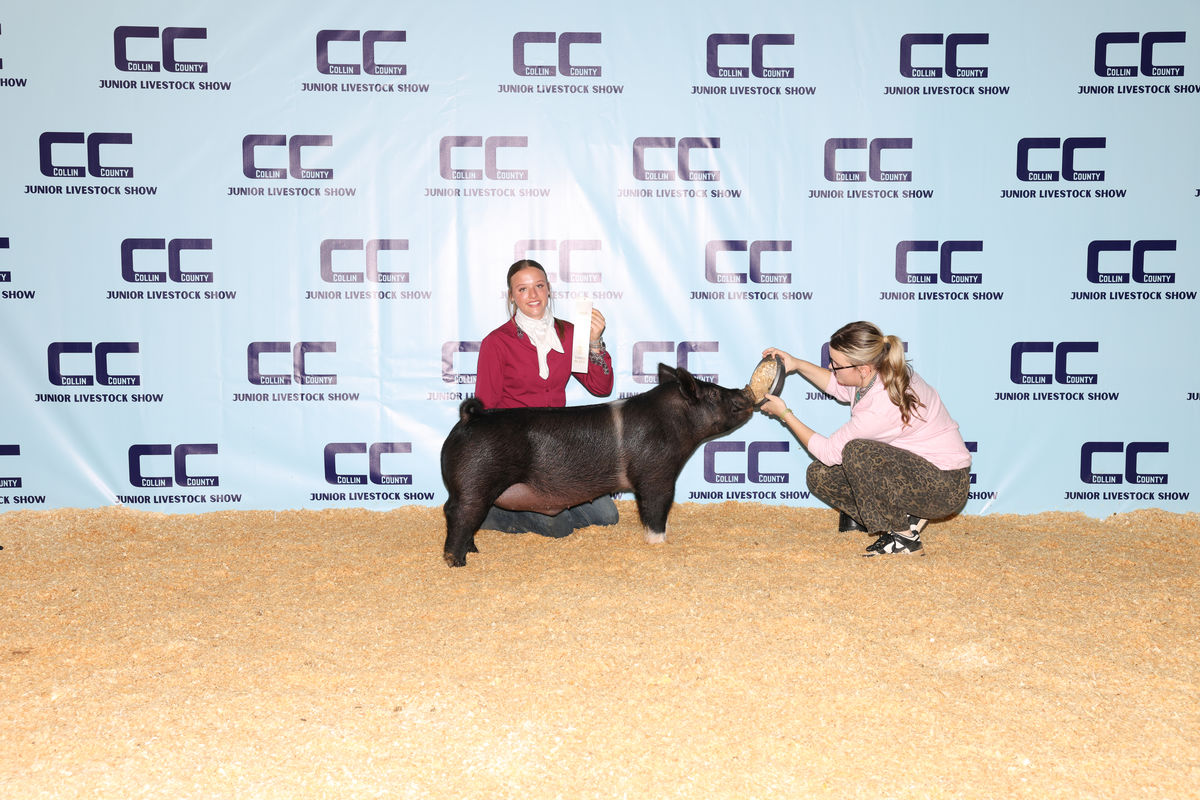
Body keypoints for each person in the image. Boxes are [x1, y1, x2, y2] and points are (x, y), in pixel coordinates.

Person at [758, 321, 971, 556]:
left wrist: (785, 414)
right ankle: (904, 517)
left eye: (836, 365)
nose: (830, 367)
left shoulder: (881, 406)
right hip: (917, 473)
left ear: (863, 369)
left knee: (857, 452)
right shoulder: (879, 371)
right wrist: (796, 364)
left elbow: (828, 452)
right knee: (819, 476)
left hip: (943, 487)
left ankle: (904, 538)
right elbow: (838, 386)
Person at [473, 258, 619, 537]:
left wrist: (594, 342)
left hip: (557, 450)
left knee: (607, 517)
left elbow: (601, 387)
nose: (533, 295)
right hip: (516, 454)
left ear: (549, 289)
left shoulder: (569, 334)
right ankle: (491, 511)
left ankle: (547, 505)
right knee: (557, 526)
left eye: (539, 286)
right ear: (512, 296)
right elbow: (484, 410)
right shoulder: (497, 342)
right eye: (523, 289)